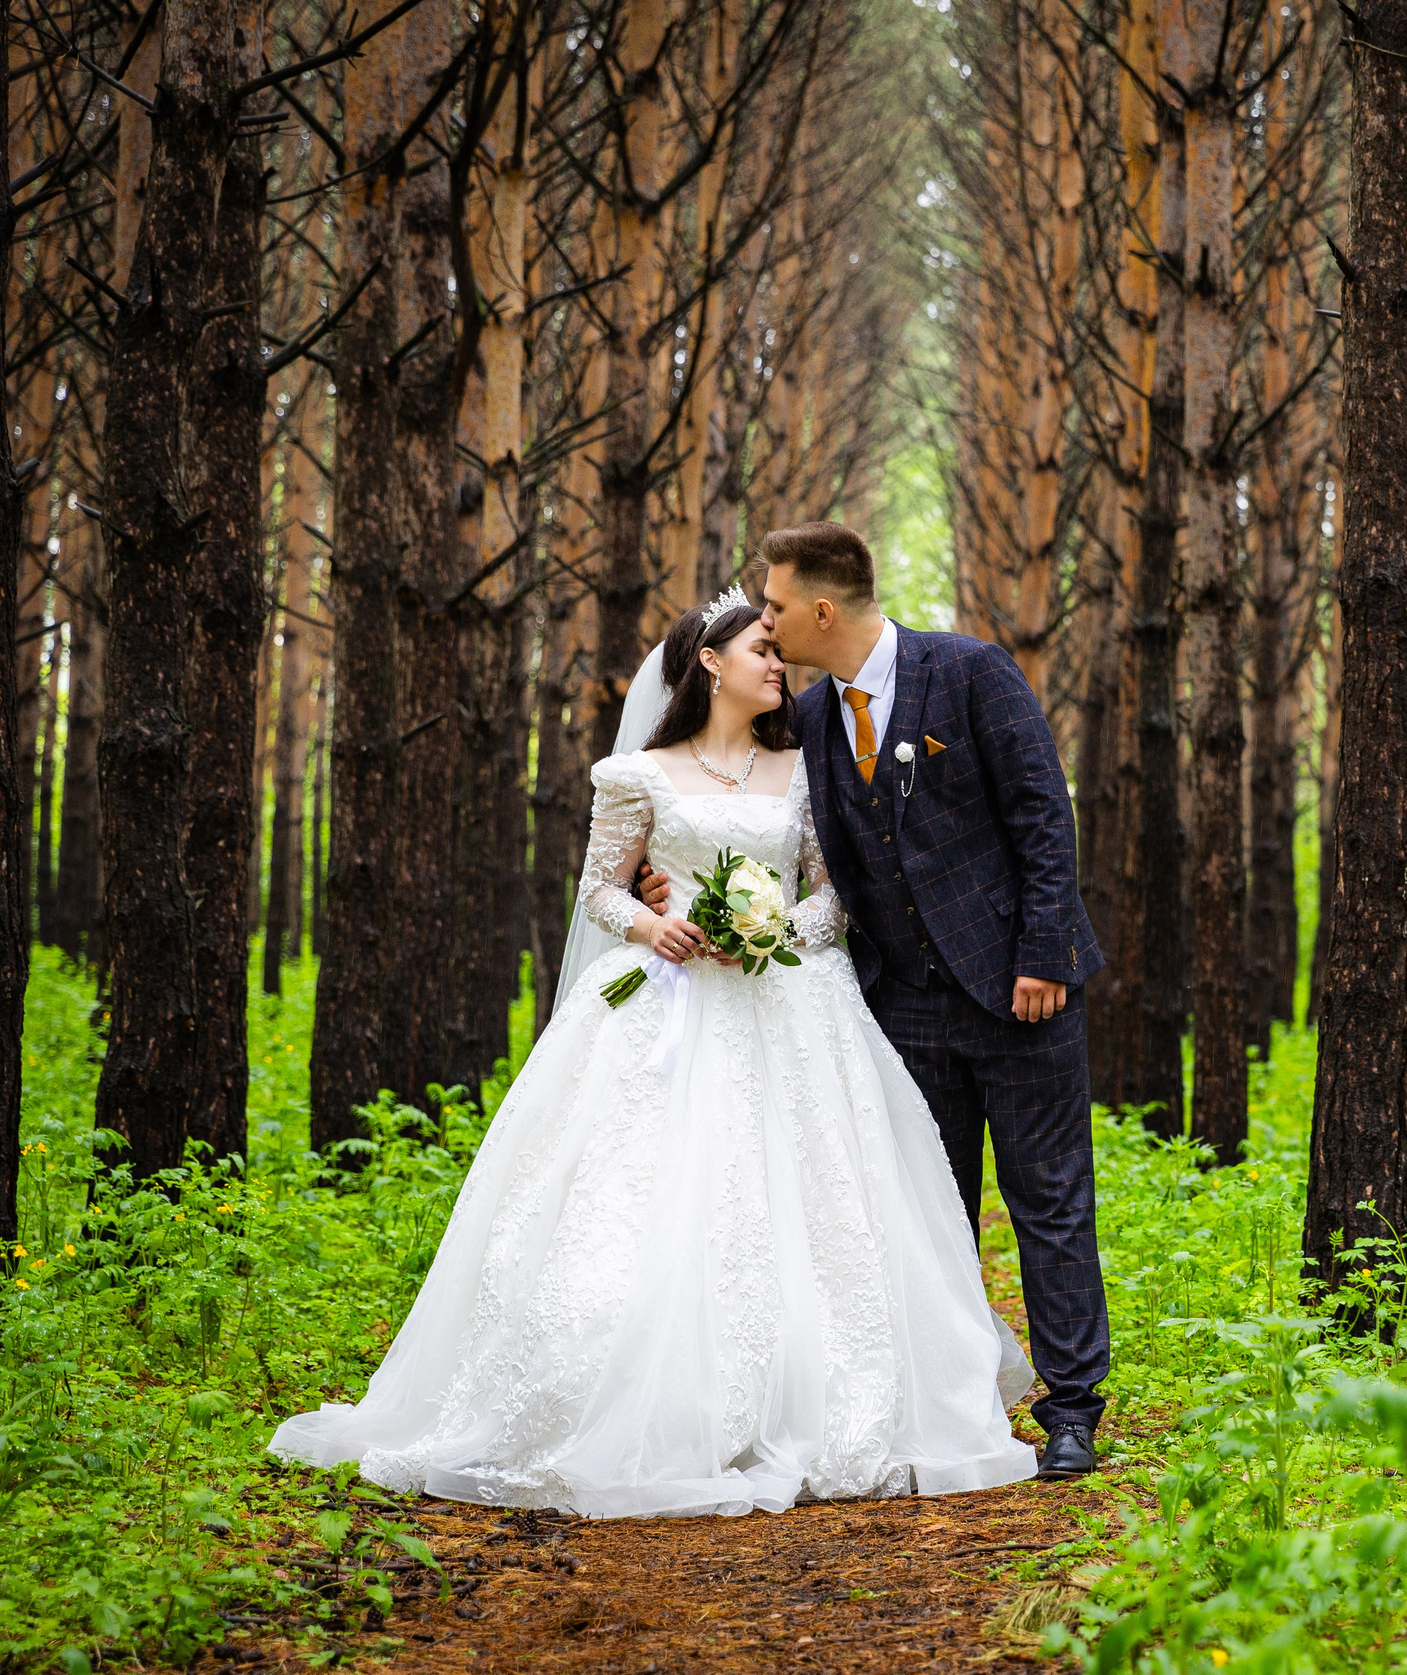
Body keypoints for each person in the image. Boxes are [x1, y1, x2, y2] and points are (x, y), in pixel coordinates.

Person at [269, 589, 1041, 1517]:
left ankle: (819, 1393)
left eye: (779, 650)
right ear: (710, 662)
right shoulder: (638, 774)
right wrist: (652, 924)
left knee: (824, 1197)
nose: (779, 664)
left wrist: (771, 932)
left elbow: (832, 895)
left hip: (791, 1001)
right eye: (761, 650)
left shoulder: (803, 769)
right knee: (637, 1195)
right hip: (667, 1001)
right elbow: (598, 889)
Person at [647, 522, 1110, 1480]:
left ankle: (1072, 1408)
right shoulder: (811, 718)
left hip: (1020, 992)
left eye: (776, 605)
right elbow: (771, 830)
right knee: (929, 1211)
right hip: (900, 1004)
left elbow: (1042, 813)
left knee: (1049, 1202)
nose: (766, 621)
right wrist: (669, 887)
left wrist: (1044, 957)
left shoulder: (971, 673)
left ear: (822, 610)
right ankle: (959, 1400)